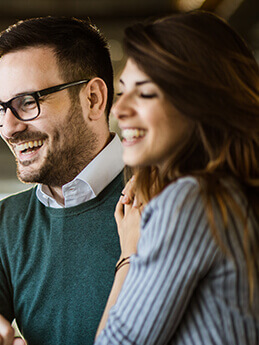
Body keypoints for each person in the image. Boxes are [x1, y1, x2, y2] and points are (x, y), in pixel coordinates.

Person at [0, 17, 123, 345]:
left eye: (27, 103)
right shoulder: (5, 225)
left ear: (92, 99)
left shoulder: (166, 196)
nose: (8, 128)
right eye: (0, 109)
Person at [95, 11, 259, 344]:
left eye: (145, 93)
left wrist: (129, 253)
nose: (118, 109)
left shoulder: (190, 200)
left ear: (199, 100)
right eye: (122, 91)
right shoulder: (235, 194)